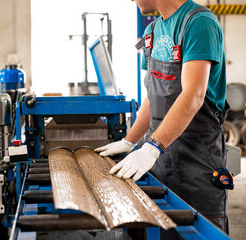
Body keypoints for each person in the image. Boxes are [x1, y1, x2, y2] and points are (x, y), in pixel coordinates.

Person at [95, 0, 230, 233]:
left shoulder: (199, 23)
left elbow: (194, 96)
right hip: (160, 162)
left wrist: (152, 148)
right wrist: (130, 140)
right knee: (162, 231)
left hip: (196, 162)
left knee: (200, 232)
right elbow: (153, 95)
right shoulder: (152, 31)